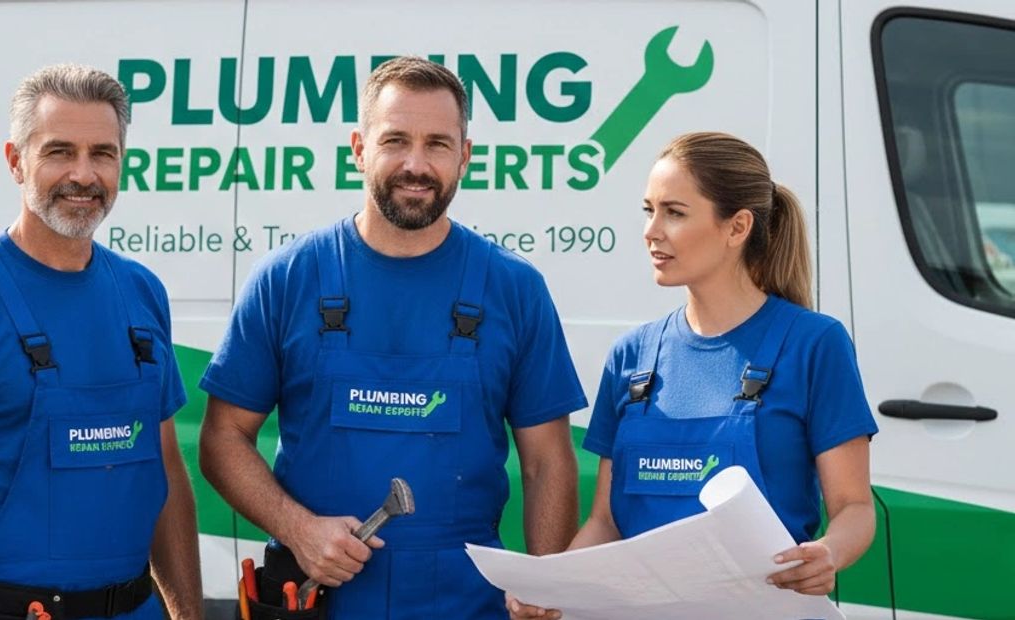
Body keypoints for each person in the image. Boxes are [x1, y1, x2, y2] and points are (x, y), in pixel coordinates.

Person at [198, 56, 586, 619]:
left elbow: (548, 461)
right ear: (358, 148)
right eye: (395, 140)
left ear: (465, 156)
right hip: (315, 599)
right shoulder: (288, 278)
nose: (416, 164)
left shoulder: (513, 288)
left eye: (437, 144)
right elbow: (223, 437)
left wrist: (548, 585)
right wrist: (298, 529)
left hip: (467, 602)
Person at [0, 64, 203, 620]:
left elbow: (166, 469)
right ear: (15, 160)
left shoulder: (141, 293)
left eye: (102, 152)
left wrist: (188, 614)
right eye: (58, 152)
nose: (83, 174)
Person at [508, 132, 879, 619]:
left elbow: (855, 508)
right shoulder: (632, 356)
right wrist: (554, 586)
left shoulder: (813, 344)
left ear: (737, 226)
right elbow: (605, 523)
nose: (651, 231)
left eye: (675, 213)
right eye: (649, 210)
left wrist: (829, 553)